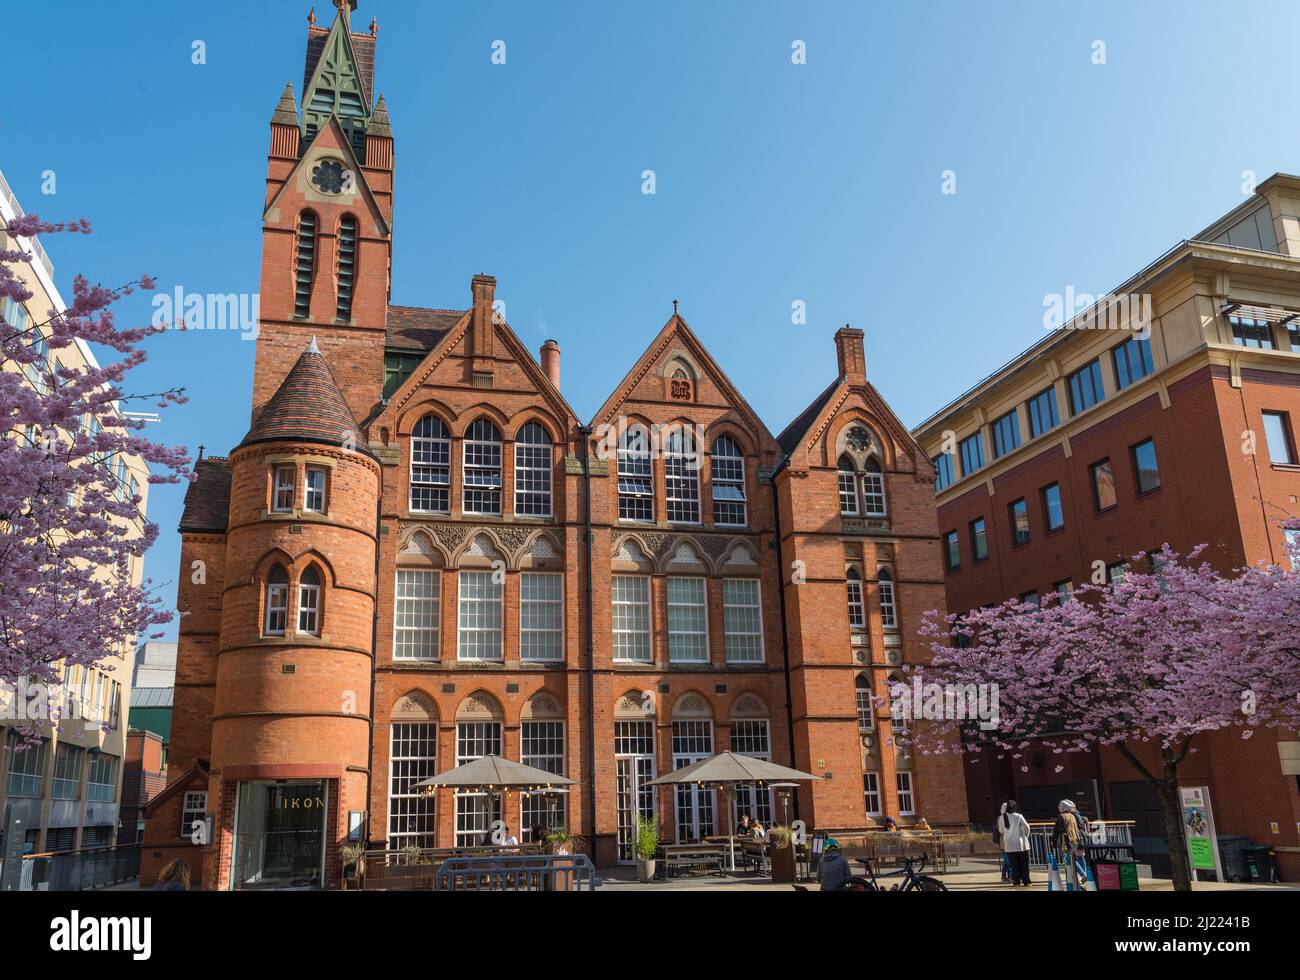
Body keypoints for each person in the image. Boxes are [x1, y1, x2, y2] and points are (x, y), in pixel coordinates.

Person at [1052, 799, 1086, 891]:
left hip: (1064, 842)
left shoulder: (1061, 816)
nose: (1058, 807)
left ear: (1063, 807)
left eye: (1060, 806)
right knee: (1072, 858)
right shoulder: (1072, 815)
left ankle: (1082, 874)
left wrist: (1054, 841)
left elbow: (1057, 830)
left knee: (1069, 859)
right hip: (1074, 840)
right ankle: (1078, 877)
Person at [999, 800, 1032, 886]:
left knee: (1014, 865)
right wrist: (1026, 836)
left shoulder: (1002, 817)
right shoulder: (1019, 816)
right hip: (1020, 844)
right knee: (1024, 864)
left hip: (1009, 845)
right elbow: (1027, 827)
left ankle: (1016, 881)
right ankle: (1026, 881)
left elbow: (1001, 830)